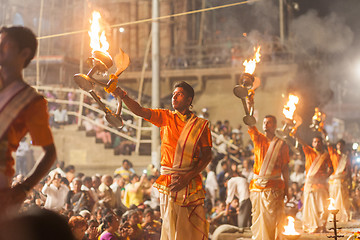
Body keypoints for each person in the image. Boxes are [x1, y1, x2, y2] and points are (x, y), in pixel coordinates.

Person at [113, 81, 212, 239]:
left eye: (179, 94)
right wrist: (122, 95)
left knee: (190, 228)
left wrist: (187, 177)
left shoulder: (201, 125)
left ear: (189, 100)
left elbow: (207, 155)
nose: (174, 97)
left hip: (190, 181)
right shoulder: (166, 117)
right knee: (170, 226)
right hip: (169, 182)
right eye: (173, 94)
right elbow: (139, 110)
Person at [0, 26, 56, 216]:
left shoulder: (32, 101)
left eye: (6, 45)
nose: (0, 47)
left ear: (24, 53)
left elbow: (50, 153)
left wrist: (24, 188)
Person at [247, 115, 290, 240]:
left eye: (269, 122)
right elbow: (250, 124)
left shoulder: (281, 144)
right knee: (257, 218)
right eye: (264, 122)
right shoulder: (258, 139)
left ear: (275, 126)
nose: (265, 124)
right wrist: (249, 104)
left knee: (272, 221)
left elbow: (285, 168)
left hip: (274, 189)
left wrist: (287, 188)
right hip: (256, 188)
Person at [296, 135, 333, 233]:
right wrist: (295, 133)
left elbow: (331, 168)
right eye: (315, 142)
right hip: (310, 185)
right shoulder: (309, 151)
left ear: (322, 143)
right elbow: (302, 141)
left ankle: (322, 226)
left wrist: (324, 177)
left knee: (324, 206)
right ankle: (314, 225)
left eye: (319, 142)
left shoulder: (325, 155)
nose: (317, 144)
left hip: (321, 185)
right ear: (312, 144)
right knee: (311, 207)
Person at [325, 137, 351, 223]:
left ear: (344, 146)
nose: (340, 146)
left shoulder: (345, 157)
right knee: (333, 198)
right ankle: (333, 215)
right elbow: (328, 144)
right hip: (333, 181)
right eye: (338, 145)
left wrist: (348, 180)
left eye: (341, 145)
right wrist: (324, 133)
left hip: (341, 181)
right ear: (336, 146)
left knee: (342, 199)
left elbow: (348, 170)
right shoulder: (333, 154)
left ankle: (341, 215)